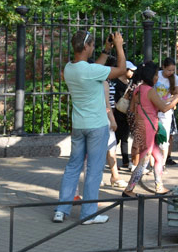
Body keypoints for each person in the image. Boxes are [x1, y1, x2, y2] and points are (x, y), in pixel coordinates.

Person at [53, 30, 127, 225]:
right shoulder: (91, 71)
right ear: (86, 47)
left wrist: (106, 50)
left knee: (73, 167)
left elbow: (94, 67)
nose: (93, 48)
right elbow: (121, 70)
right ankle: (88, 214)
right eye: (92, 46)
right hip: (97, 126)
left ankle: (61, 210)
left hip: (78, 126)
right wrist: (119, 46)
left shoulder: (69, 68)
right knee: (94, 170)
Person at [122, 61, 178, 197]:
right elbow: (163, 108)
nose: (157, 77)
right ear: (150, 75)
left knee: (158, 157)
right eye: (156, 74)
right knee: (145, 159)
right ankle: (129, 189)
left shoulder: (138, 89)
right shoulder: (150, 91)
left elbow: (133, 109)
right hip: (149, 127)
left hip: (142, 126)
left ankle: (159, 186)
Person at [108, 60, 137, 169]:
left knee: (125, 137)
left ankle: (125, 160)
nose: (132, 73)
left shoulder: (130, 82)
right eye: (131, 70)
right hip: (116, 112)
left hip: (126, 113)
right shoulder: (114, 82)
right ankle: (113, 161)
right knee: (116, 138)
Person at [155, 58, 178, 166]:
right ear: (163, 67)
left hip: (166, 111)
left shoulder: (175, 78)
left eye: (173, 70)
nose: (171, 73)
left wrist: (171, 103)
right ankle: (154, 163)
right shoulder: (157, 75)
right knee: (153, 138)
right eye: (169, 70)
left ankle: (162, 164)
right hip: (154, 108)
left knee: (164, 138)